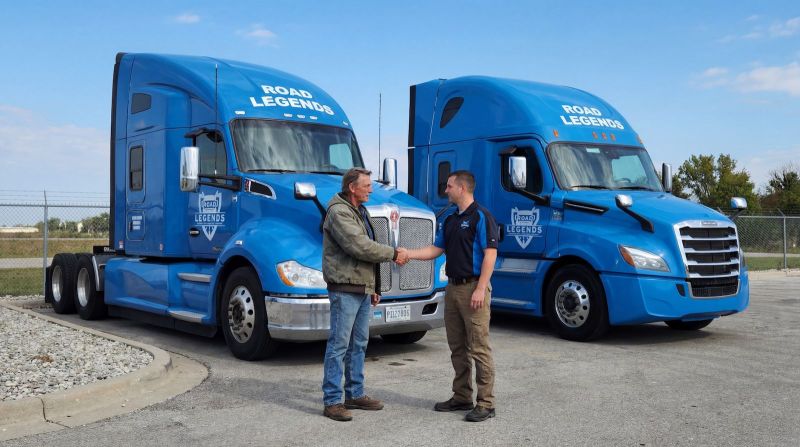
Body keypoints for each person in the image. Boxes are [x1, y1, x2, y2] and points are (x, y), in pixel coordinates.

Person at [405, 170, 499, 422]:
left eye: (449, 186)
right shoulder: (450, 220)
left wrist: (481, 287)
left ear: (462, 188)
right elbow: (436, 249)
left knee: (479, 348)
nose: (445, 190)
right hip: (453, 288)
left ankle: (486, 403)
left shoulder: (481, 216)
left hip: (473, 289)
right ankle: (462, 396)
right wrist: (407, 253)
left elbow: (490, 254)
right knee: (457, 347)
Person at [321, 167, 409, 422]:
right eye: (367, 185)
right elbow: (360, 247)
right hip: (345, 288)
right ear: (352, 188)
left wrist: (374, 288)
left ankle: (355, 394)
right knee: (339, 345)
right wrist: (394, 253)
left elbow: (367, 250)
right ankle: (332, 401)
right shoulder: (339, 213)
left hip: (360, 287)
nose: (371, 189)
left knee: (359, 344)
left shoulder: (359, 210)